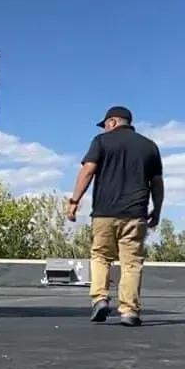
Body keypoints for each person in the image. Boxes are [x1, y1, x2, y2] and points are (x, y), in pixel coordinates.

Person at [66, 106, 163, 327]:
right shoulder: (149, 146)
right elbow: (157, 183)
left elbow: (88, 170)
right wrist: (156, 211)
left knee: (101, 256)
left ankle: (100, 299)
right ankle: (129, 311)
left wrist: (74, 201)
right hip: (135, 215)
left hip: (104, 213)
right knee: (131, 263)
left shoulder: (101, 141)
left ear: (112, 122)